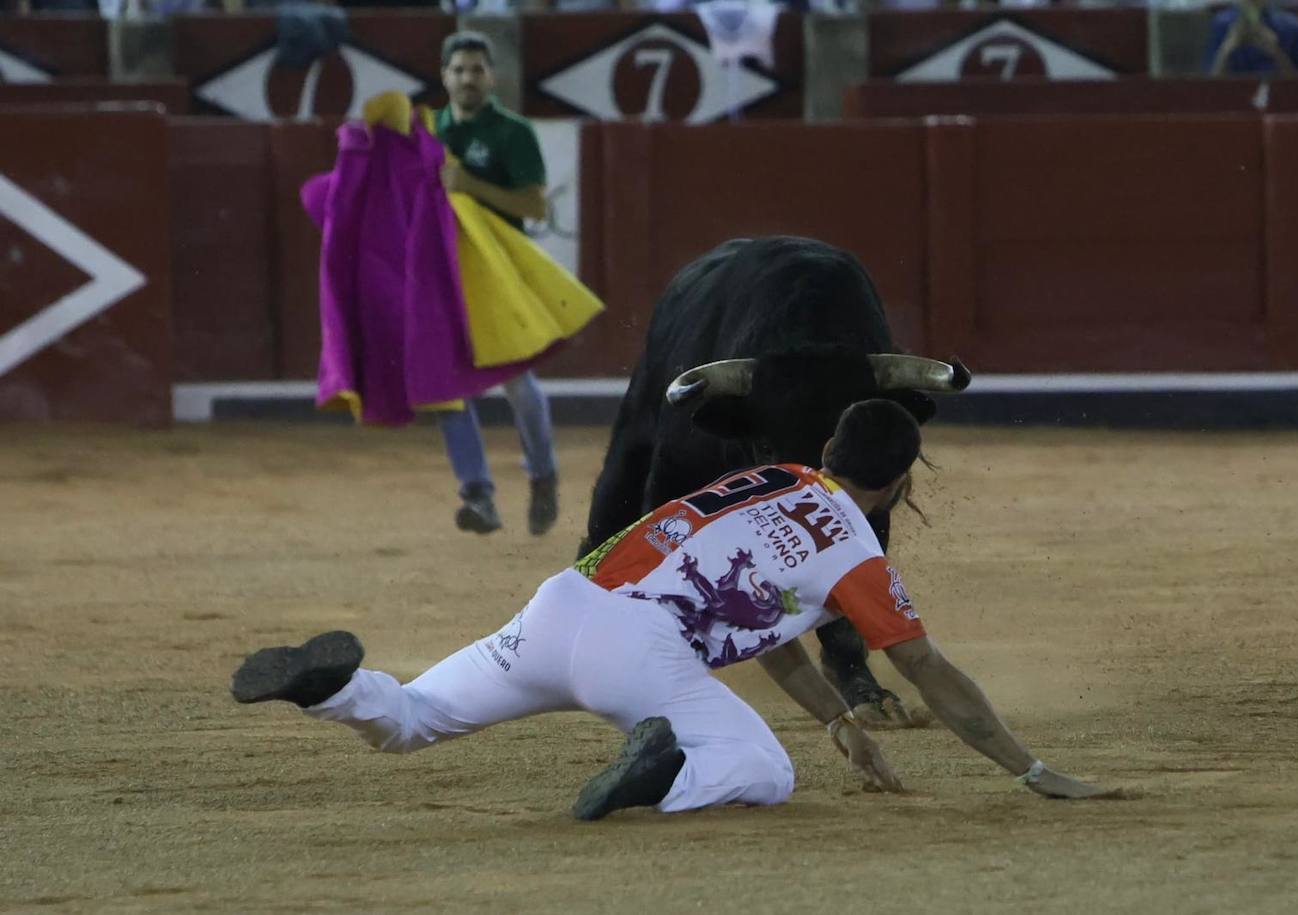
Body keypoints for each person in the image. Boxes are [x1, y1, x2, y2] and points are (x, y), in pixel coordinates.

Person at [231, 399, 1115, 820]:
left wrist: (840, 721)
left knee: (414, 716)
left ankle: (333, 688)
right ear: (902, 482)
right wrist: (1030, 767)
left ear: (825, 446)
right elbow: (926, 669)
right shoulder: (857, 553)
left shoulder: (770, 477)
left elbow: (769, 631)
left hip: (564, 600)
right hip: (641, 651)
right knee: (763, 770)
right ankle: (665, 777)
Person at [433, 30, 558, 536]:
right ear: (444, 76)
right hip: (444, 274)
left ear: (491, 76)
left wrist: (471, 185)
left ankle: (543, 475)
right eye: (459, 69)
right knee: (448, 387)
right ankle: (478, 494)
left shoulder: (512, 132)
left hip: (501, 273)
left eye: (476, 69)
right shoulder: (428, 132)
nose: (467, 78)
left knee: (519, 386)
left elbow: (535, 205)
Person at [1206, 0, 1298, 76]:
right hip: (1234, 94)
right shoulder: (1222, 24)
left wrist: (1277, 53)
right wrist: (1226, 50)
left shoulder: (1291, 26)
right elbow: (1209, 81)